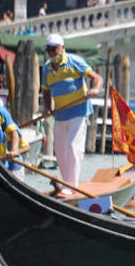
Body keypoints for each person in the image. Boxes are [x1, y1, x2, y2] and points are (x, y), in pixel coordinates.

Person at [41, 33, 103, 195]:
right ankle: (65, 183)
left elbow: (97, 78)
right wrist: (47, 107)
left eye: (54, 49)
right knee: (60, 150)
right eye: (49, 50)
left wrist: (94, 89)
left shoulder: (74, 61)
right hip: (60, 114)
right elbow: (46, 91)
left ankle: (72, 185)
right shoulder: (47, 68)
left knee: (73, 147)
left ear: (62, 48)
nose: (52, 53)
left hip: (78, 111)